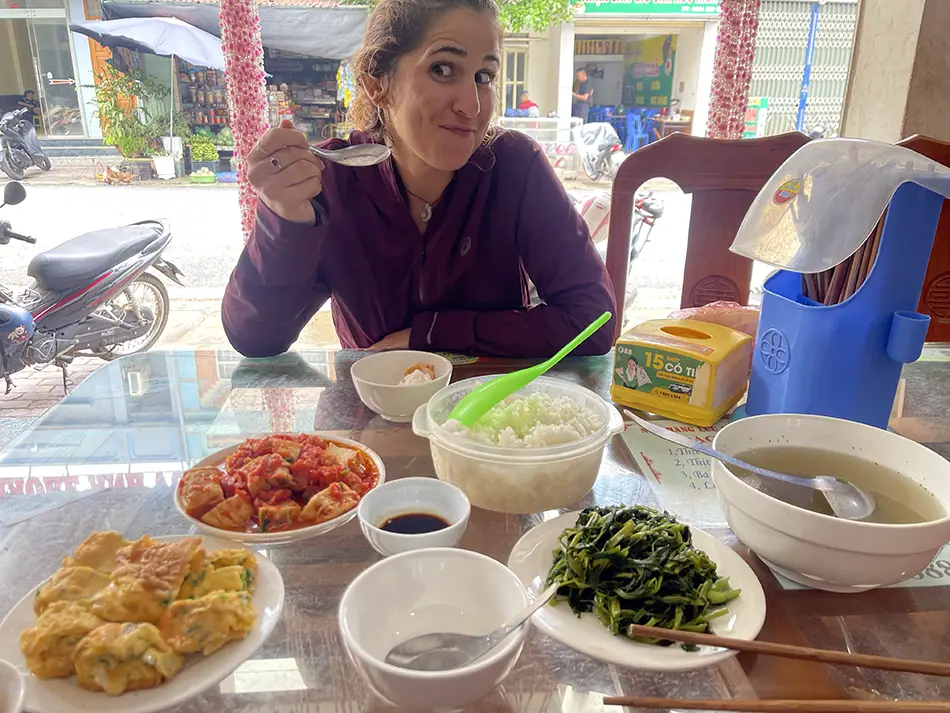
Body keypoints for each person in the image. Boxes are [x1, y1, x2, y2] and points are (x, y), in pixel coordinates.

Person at [223, 0, 616, 359]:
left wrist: (430, 334)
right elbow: (256, 338)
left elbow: (593, 320)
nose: (472, 105)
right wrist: (285, 218)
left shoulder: (514, 166)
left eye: (484, 75)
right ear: (378, 84)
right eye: (443, 69)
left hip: (491, 423)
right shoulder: (334, 181)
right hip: (371, 421)